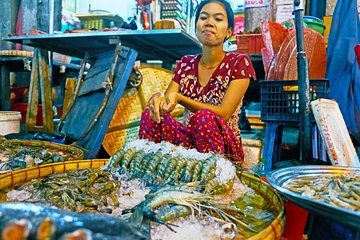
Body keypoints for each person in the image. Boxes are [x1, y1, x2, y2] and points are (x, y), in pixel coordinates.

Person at [139, 0, 256, 163]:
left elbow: (224, 113)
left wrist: (180, 98)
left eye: (218, 19)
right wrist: (159, 101)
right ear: (196, 27)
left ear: (229, 31)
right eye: (204, 17)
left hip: (225, 150)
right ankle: (150, 173)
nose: (209, 23)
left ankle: (215, 177)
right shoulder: (186, 63)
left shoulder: (239, 63)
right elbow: (167, 103)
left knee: (204, 118)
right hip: (189, 145)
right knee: (150, 115)